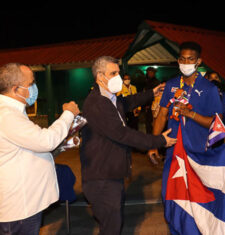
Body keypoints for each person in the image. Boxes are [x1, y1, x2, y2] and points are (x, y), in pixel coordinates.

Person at [79, 56, 177, 235]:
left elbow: (125, 103)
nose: (118, 77)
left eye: (118, 72)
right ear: (100, 76)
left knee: (113, 224)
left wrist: (150, 94)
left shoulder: (108, 97)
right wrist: (158, 141)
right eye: (113, 73)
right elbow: (122, 134)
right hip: (102, 179)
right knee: (111, 228)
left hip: (110, 174)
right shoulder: (97, 103)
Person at [147, 41, 223, 232]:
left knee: (198, 204)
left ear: (199, 61)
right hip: (174, 154)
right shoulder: (172, 85)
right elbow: (162, 115)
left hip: (199, 156)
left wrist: (192, 115)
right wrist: (154, 143)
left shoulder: (209, 88)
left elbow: (218, 125)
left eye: (190, 59)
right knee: (172, 199)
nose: (185, 62)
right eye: (182, 58)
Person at [0, 63, 80, 235]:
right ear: (16, 89)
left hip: (25, 205)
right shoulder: (7, 115)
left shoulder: (13, 112)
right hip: (20, 209)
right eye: (30, 84)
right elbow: (46, 141)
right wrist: (68, 114)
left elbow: (27, 148)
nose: (34, 88)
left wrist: (62, 146)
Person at [144, 67, 161, 134]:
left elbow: (156, 95)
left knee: (154, 122)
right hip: (148, 106)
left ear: (154, 73)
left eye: (151, 72)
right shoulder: (146, 81)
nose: (149, 74)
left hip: (154, 105)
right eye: (148, 72)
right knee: (148, 124)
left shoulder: (156, 82)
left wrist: (150, 105)